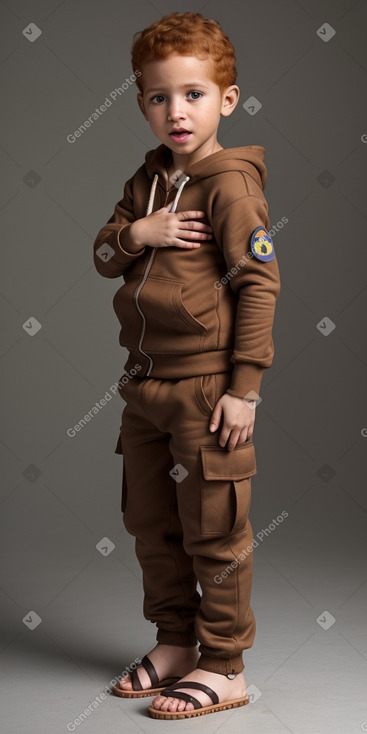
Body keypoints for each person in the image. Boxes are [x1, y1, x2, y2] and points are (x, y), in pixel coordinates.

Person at [93, 10, 281, 720]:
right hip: (145, 385)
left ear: (226, 100)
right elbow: (104, 254)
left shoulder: (229, 186)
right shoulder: (145, 180)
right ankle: (174, 641)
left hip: (206, 389)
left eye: (194, 94)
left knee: (214, 528)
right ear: (142, 102)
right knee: (150, 521)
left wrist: (245, 392)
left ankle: (225, 663)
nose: (177, 111)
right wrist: (138, 232)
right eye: (159, 96)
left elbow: (258, 285)